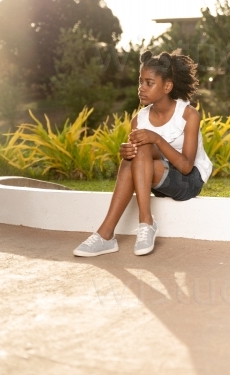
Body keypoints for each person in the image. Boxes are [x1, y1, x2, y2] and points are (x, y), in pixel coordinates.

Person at [73, 50, 213, 258]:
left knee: (145, 145)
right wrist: (126, 152)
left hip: (188, 181)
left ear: (167, 86)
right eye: (140, 82)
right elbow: (138, 161)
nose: (141, 89)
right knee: (134, 155)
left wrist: (156, 138)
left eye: (149, 83)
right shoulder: (139, 119)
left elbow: (185, 167)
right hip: (155, 178)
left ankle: (130, 226)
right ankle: (110, 234)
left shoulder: (188, 114)